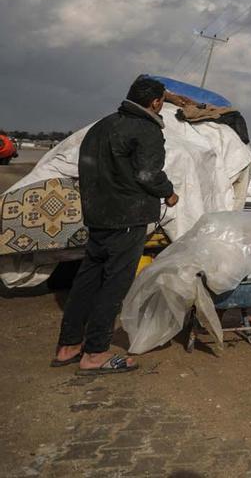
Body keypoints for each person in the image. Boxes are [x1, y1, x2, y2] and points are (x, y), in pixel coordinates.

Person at [53, 76, 179, 375]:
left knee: (87, 280)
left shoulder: (102, 126)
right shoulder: (146, 129)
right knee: (114, 285)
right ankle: (95, 352)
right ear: (156, 102)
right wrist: (169, 193)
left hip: (97, 216)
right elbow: (149, 175)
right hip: (127, 218)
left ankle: (68, 345)